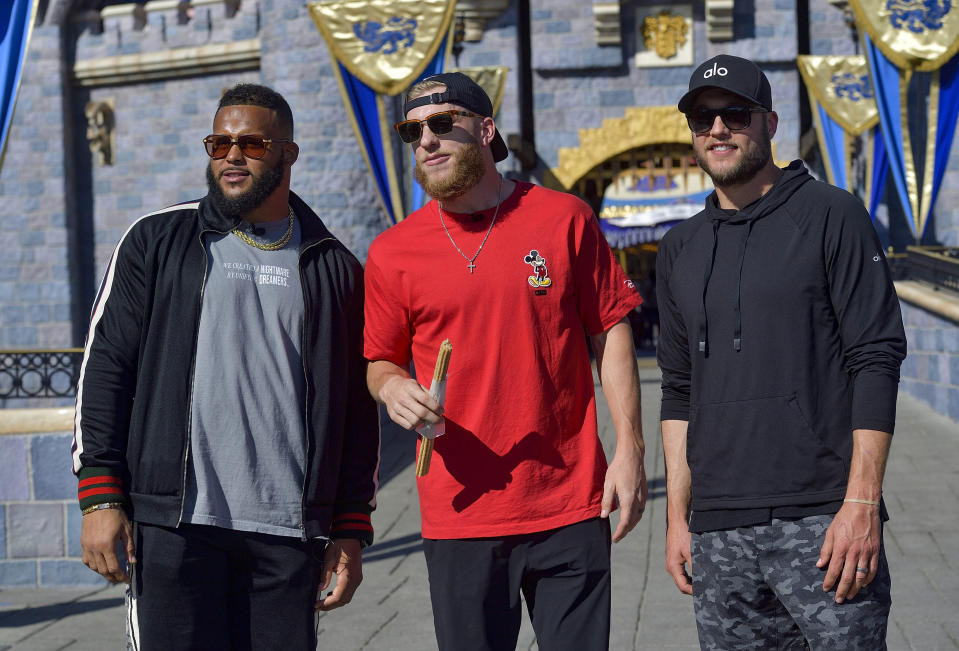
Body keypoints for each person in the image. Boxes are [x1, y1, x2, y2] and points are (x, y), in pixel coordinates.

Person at [71, 83, 379, 650]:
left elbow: (355, 410)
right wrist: (101, 495)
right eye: (219, 143)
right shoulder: (156, 241)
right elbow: (106, 369)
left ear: (289, 153)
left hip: (289, 536)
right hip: (174, 528)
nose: (232, 155)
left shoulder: (334, 267)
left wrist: (351, 526)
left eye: (252, 143)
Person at [363, 72, 648, 650]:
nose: (427, 141)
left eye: (443, 124)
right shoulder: (392, 252)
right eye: (412, 130)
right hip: (459, 512)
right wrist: (393, 389)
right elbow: (379, 362)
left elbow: (610, 330)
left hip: (569, 502)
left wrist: (630, 451)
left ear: (485, 128)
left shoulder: (563, 218)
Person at [657, 54, 907, 649]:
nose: (717, 129)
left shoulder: (832, 214)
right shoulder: (679, 247)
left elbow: (876, 355)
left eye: (734, 114)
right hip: (718, 533)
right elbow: (678, 388)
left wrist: (862, 501)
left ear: (769, 123)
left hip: (823, 522)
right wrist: (677, 519)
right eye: (701, 118)